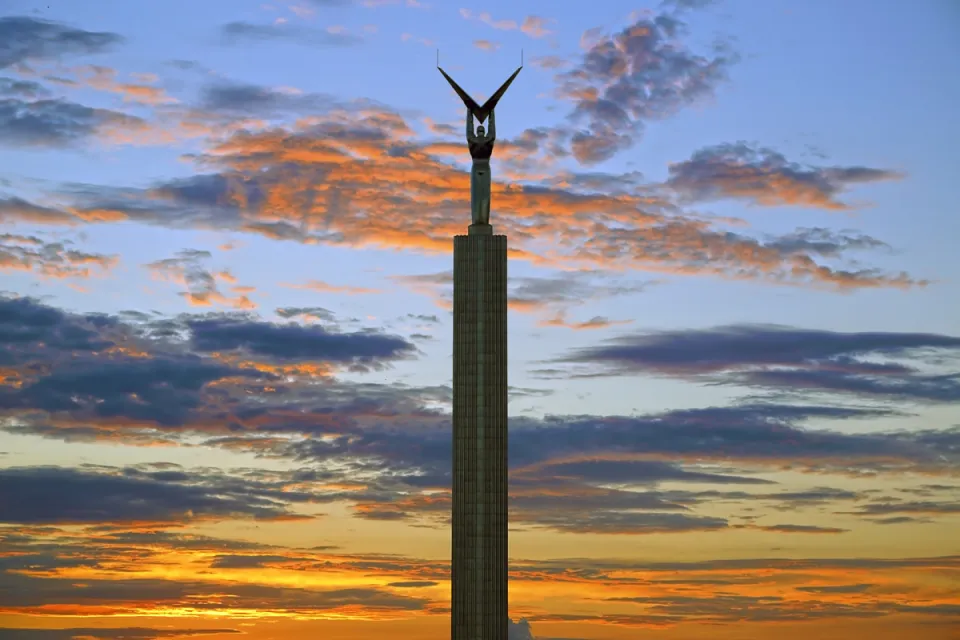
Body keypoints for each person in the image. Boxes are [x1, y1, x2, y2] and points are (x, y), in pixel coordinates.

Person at [466, 108, 495, 226]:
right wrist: (491, 112)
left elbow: (469, 129)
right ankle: (479, 222)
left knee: (482, 198)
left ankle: (480, 222)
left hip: (481, 166)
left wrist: (470, 112)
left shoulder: (474, 140)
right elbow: (492, 129)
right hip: (480, 166)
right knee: (480, 197)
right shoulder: (488, 140)